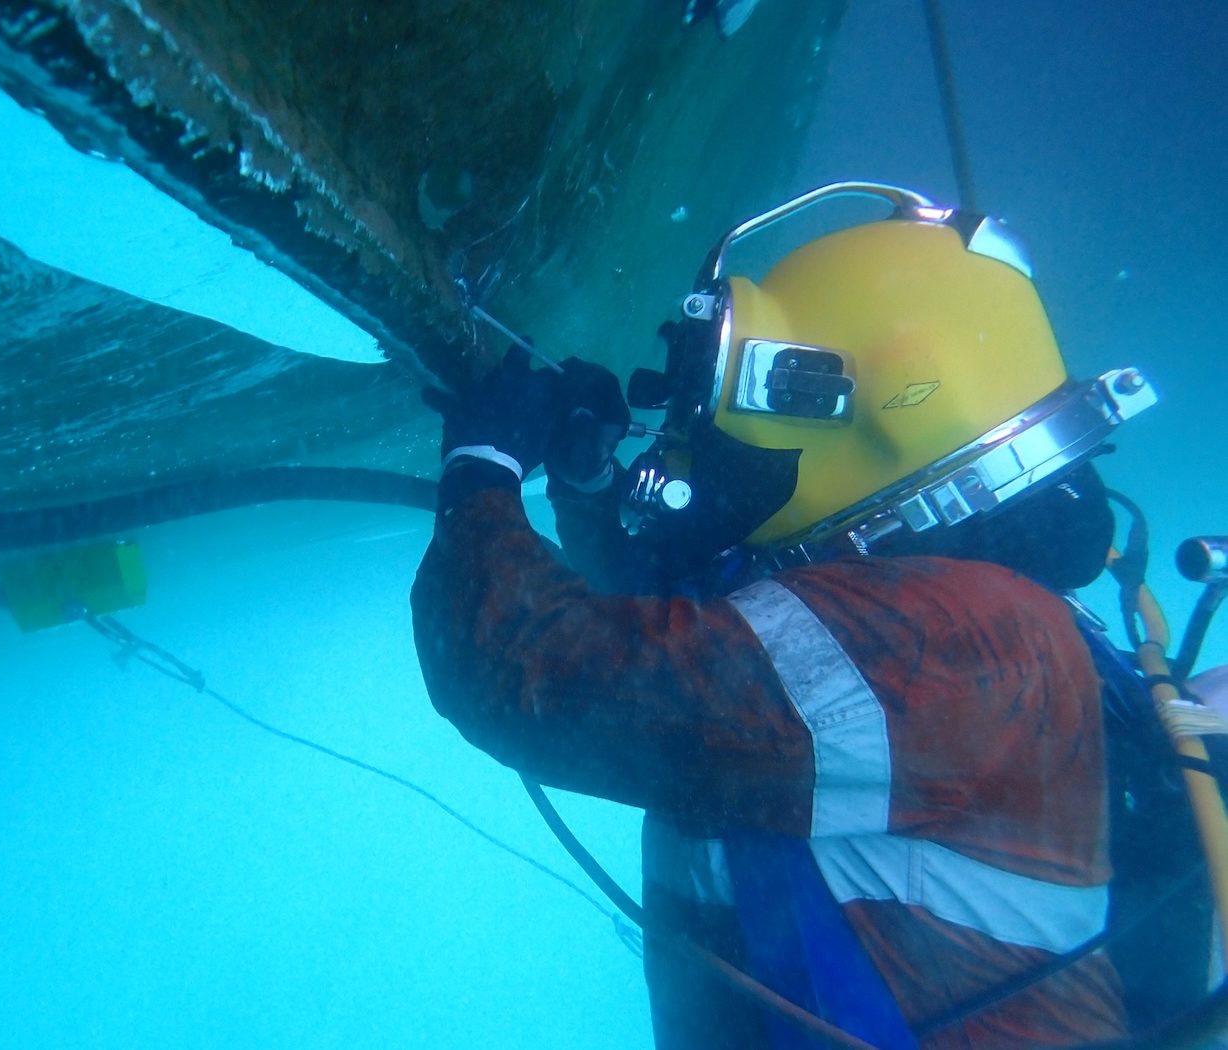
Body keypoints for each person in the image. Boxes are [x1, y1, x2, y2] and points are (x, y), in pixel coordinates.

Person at [410, 186, 1170, 1048]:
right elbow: (692, 637)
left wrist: (481, 465)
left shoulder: (944, 641)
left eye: (729, 411)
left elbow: (532, 671)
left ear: (865, 407)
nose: (696, 445)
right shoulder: (968, 609)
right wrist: (586, 489)